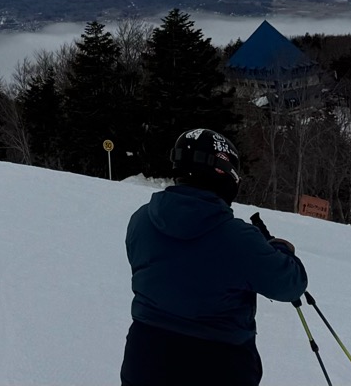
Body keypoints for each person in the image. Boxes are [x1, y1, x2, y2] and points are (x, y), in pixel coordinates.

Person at [121, 128, 306, 386]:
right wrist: (282, 250)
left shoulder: (141, 220)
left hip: (144, 358)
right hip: (217, 363)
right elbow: (290, 284)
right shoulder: (238, 238)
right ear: (224, 174)